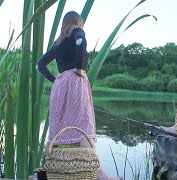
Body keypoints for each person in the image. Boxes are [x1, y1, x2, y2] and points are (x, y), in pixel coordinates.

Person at [37, 11, 121, 180]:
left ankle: (48, 169)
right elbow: (81, 43)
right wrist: (80, 67)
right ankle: (98, 173)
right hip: (75, 83)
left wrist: (57, 81)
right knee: (84, 125)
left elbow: (40, 65)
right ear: (77, 23)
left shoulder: (58, 42)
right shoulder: (77, 32)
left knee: (56, 128)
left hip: (60, 85)